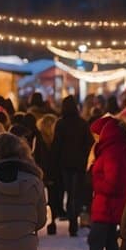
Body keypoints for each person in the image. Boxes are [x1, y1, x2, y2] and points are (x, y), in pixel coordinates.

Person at [79, 115, 126, 250]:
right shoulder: (113, 148)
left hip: (108, 205)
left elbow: (114, 183)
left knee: (97, 239)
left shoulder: (112, 152)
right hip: (109, 204)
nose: (94, 139)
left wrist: (95, 180)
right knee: (109, 240)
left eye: (96, 135)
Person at [48, 96, 93, 236]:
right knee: (76, 194)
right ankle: (74, 221)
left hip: (64, 164)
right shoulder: (83, 124)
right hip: (79, 164)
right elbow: (89, 144)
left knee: (64, 191)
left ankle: (66, 216)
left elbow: (56, 146)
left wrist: (53, 164)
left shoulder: (61, 124)